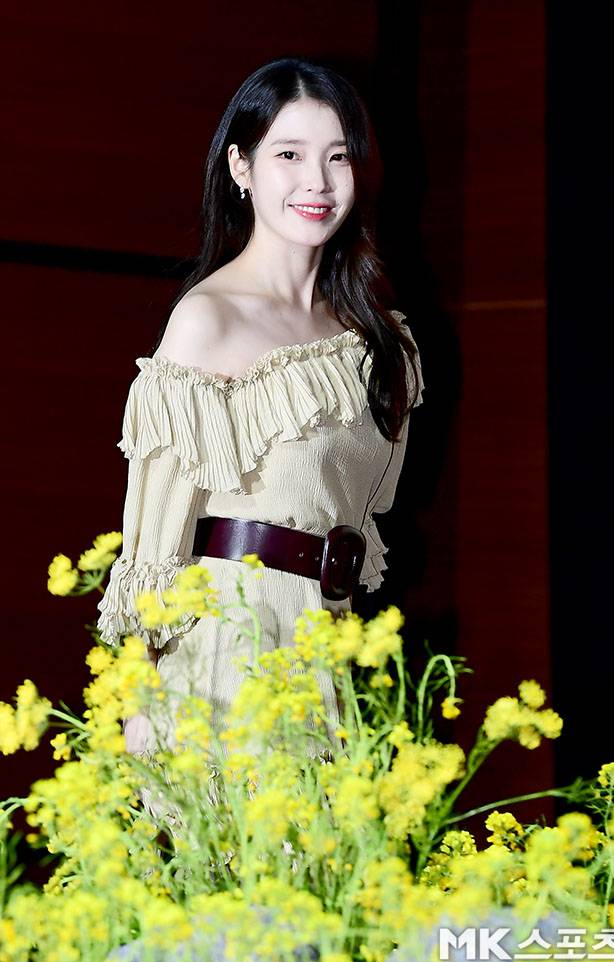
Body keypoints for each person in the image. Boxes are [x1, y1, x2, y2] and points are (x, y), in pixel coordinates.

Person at [96, 55, 424, 764]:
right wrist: (144, 705)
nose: (317, 182)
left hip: (325, 647)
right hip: (222, 652)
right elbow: (154, 544)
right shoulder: (207, 320)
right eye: (289, 155)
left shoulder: (378, 338)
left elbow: (363, 513)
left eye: (338, 156)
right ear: (241, 167)